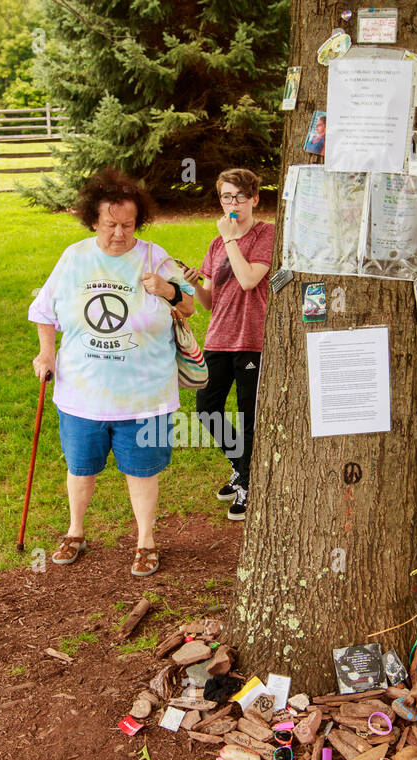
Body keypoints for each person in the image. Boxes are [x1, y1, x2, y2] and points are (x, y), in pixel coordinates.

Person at [28, 168, 196, 577]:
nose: (119, 234)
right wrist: (46, 354)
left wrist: (168, 289)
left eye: (128, 225)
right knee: (80, 466)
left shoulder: (156, 257)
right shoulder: (75, 257)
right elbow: (45, 312)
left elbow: (188, 307)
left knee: (143, 470)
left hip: (145, 392)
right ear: (93, 221)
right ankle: (75, 532)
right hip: (83, 392)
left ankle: (145, 542)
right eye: (110, 225)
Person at [183, 169, 273, 521]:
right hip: (219, 338)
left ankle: (249, 484)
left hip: (251, 339)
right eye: (225, 197)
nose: (232, 204)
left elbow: (250, 279)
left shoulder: (265, 234)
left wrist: (232, 238)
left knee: (249, 415)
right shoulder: (216, 244)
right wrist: (194, 283)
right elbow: (209, 302)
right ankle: (242, 465)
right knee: (206, 406)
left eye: (238, 197)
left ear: (254, 199)